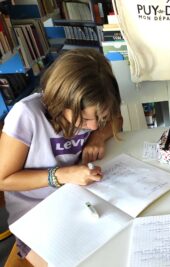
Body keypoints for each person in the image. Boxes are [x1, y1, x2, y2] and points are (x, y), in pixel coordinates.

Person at [0, 48, 122, 265]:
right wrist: (61, 175)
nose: (93, 125)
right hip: (34, 217)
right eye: (84, 119)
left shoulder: (94, 109)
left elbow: (116, 119)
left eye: (99, 117)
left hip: (79, 203)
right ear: (59, 101)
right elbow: (3, 179)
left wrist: (98, 138)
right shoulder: (27, 115)